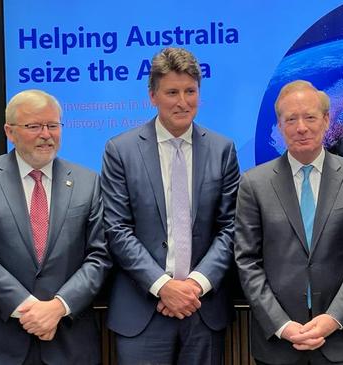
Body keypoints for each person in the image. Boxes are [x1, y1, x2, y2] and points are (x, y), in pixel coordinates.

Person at [101, 47, 240, 365]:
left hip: (202, 308)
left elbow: (231, 227)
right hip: (142, 310)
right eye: (172, 92)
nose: (182, 101)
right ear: (152, 96)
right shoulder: (120, 151)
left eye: (190, 91)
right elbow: (116, 229)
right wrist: (163, 287)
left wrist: (194, 285)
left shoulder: (223, 150)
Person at [234, 80, 343, 365]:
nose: (301, 127)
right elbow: (247, 261)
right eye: (291, 119)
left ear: (326, 120)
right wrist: (281, 325)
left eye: (310, 117)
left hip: (338, 340)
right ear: (279, 125)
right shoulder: (254, 184)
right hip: (278, 343)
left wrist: (333, 318)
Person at [0, 89, 111, 364]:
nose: (46, 134)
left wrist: (57, 307)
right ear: (10, 131)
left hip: (69, 341)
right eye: (34, 126)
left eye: (53, 125)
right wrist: (30, 309)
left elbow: (99, 257)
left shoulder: (88, 182)